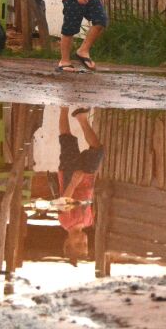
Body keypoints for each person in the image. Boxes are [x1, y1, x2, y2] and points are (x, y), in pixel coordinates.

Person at [56, 105, 105, 266]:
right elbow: (89, 198)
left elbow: (65, 199)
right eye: (85, 244)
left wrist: (73, 182)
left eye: (78, 244)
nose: (83, 241)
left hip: (71, 176)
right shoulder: (89, 222)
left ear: (67, 242)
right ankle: (81, 118)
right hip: (87, 177)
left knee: (67, 140)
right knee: (97, 150)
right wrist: (92, 180)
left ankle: (63, 108)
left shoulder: (66, 222)